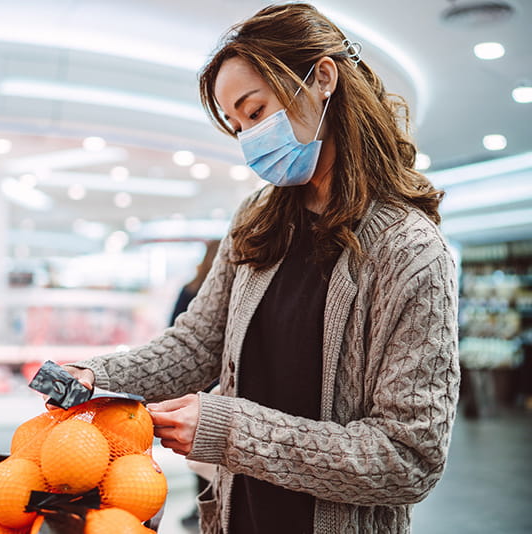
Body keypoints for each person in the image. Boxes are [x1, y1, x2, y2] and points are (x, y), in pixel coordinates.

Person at [64, 3, 460, 533]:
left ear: (322, 77)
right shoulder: (258, 220)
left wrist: (229, 430)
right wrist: (97, 377)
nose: (248, 137)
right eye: (236, 125)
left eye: (255, 111)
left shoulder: (408, 251)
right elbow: (198, 344)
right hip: (239, 515)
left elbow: (409, 458)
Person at [169, 240, 221, 531]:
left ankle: (199, 502)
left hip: (194, 382)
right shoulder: (221, 289)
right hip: (220, 380)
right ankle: (212, 499)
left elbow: (177, 333)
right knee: (210, 444)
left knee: (195, 444)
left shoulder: (189, 289)